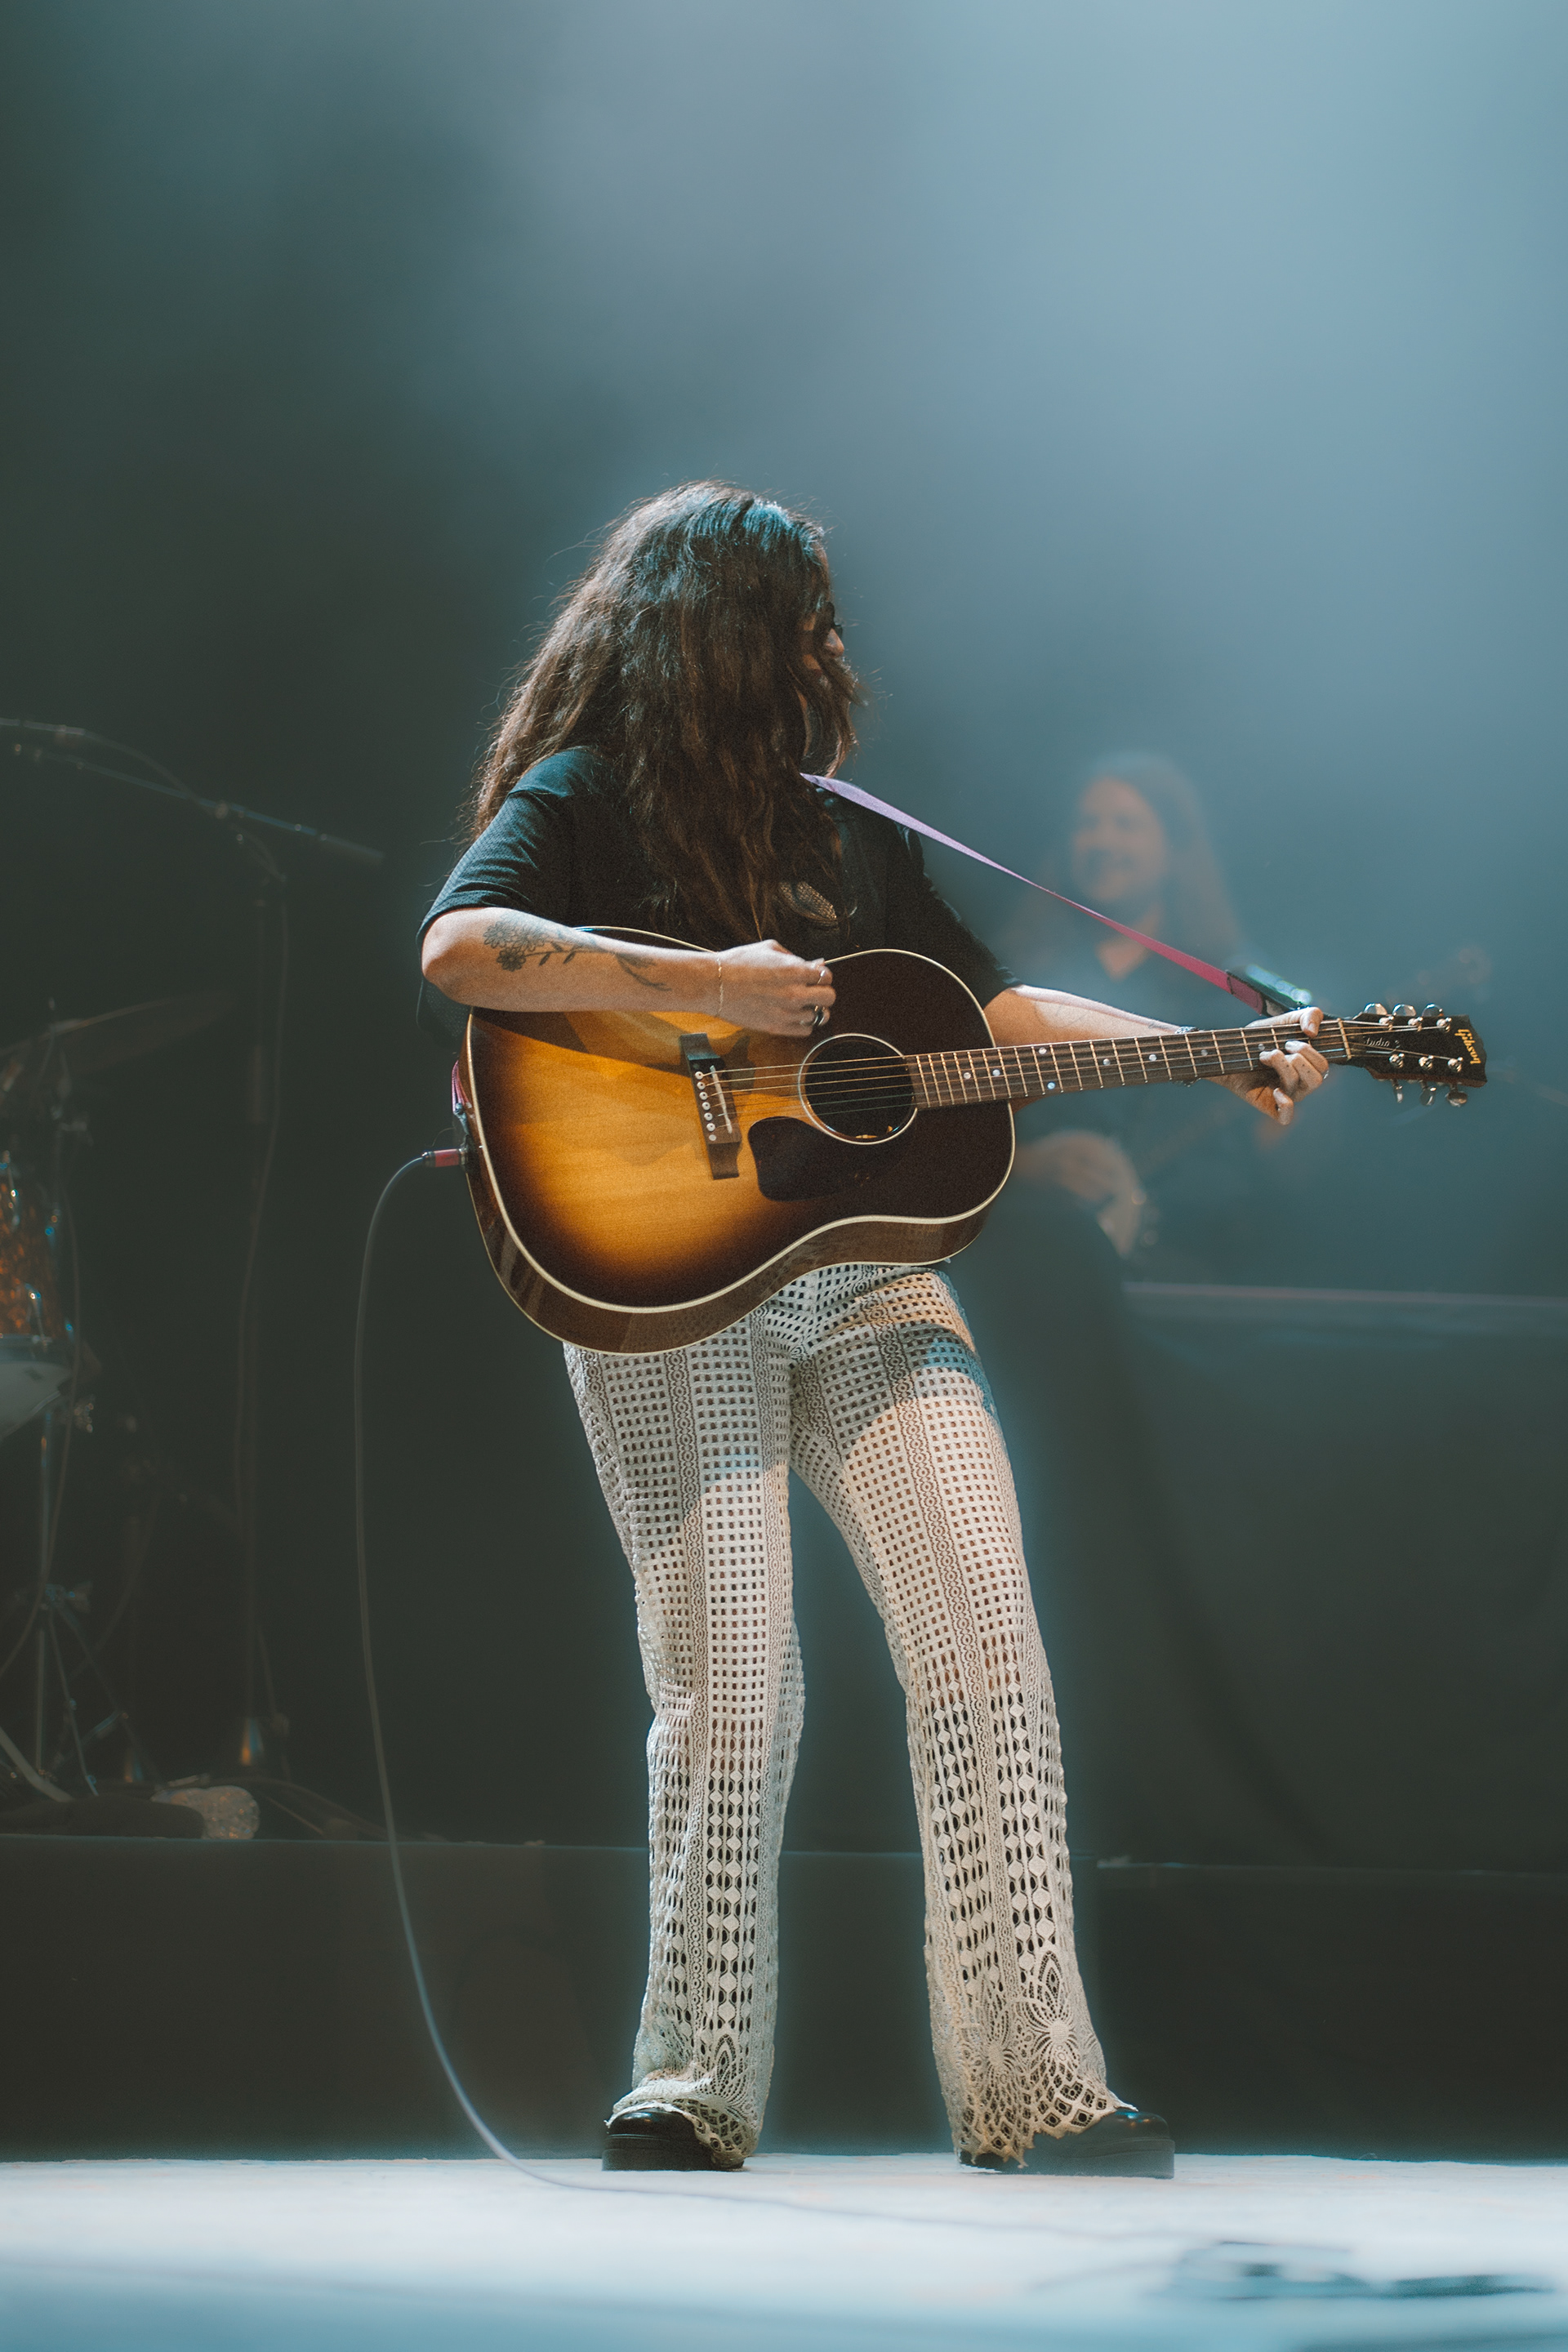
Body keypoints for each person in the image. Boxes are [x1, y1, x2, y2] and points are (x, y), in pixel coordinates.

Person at [419, 484, 1328, 2177]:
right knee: (735, 1680)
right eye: (806, 615)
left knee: (988, 1634)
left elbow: (994, 1014)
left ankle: (1035, 2085)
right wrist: (710, 987)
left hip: (866, 1271)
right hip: (669, 1281)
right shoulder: (588, 793)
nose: (834, 645)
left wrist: (1213, 1053)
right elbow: (464, 947)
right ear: (721, 633)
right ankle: (691, 2081)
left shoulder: (842, 829)